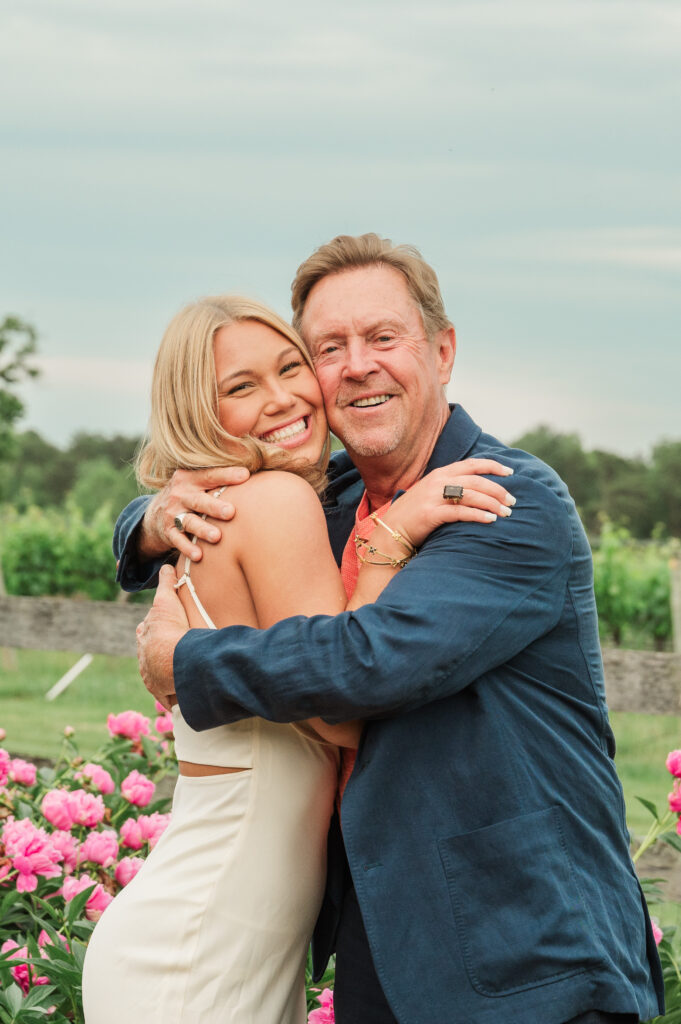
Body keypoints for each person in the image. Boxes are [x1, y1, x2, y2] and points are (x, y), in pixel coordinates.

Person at [122, 235, 663, 1024]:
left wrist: (188, 661)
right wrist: (147, 520)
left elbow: (369, 660)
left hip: (527, 955)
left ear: (441, 351)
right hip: (387, 947)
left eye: (382, 337)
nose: (357, 365)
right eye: (329, 348)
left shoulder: (503, 500)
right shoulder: (328, 501)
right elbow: (221, 510)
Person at [83, 293, 512, 1024]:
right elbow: (343, 712)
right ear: (198, 411)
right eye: (241, 387)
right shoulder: (276, 499)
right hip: (203, 945)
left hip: (226, 938)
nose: (283, 398)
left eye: (290, 368)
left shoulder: (218, 508)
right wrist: (390, 537)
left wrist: (148, 517)